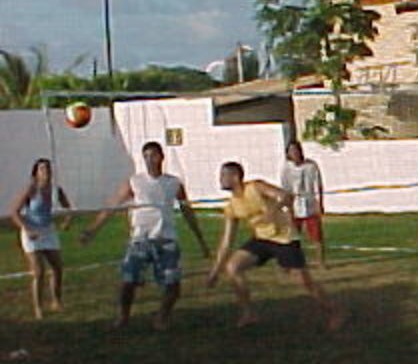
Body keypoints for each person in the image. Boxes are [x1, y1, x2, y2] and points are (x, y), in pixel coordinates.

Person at [82, 142, 210, 331]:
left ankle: (161, 317)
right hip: (140, 239)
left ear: (161, 157)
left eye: (153, 156)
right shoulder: (135, 182)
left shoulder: (173, 183)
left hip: (166, 239)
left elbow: (187, 211)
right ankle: (123, 317)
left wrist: (200, 240)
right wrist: (92, 229)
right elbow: (112, 205)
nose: (150, 160)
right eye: (146, 156)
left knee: (173, 285)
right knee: (128, 281)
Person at [206, 162, 342, 331]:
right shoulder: (232, 206)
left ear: (235, 177)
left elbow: (286, 196)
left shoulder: (256, 187)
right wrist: (215, 272)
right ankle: (248, 314)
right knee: (233, 267)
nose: (220, 180)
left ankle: (333, 312)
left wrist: (273, 211)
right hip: (262, 240)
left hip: (284, 239)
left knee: (304, 282)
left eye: (223, 176)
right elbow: (226, 242)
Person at [9, 158, 73, 319]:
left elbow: (68, 207)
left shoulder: (55, 189)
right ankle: (38, 308)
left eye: (48, 168)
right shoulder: (31, 189)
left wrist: (67, 221)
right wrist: (27, 229)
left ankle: (56, 301)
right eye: (42, 169)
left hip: (48, 230)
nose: (46, 171)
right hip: (31, 231)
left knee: (58, 267)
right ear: (36, 173)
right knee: (39, 271)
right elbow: (14, 212)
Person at [279, 140, 327, 268]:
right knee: (292, 236)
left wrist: (320, 203)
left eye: (296, 150)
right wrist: (287, 207)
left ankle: (321, 262)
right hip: (294, 205)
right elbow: (285, 188)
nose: (294, 153)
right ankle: (291, 263)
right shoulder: (286, 168)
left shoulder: (311, 166)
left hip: (310, 203)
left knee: (317, 235)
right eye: (291, 151)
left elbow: (318, 185)